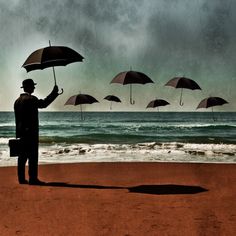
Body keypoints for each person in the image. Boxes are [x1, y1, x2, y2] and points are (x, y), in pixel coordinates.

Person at [14, 78, 60, 185]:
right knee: (33, 157)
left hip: (21, 133)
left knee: (22, 157)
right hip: (31, 133)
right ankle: (33, 179)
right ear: (29, 87)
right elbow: (44, 104)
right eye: (33, 86)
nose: (34, 88)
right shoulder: (31, 99)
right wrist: (54, 93)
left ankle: (21, 179)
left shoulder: (17, 101)